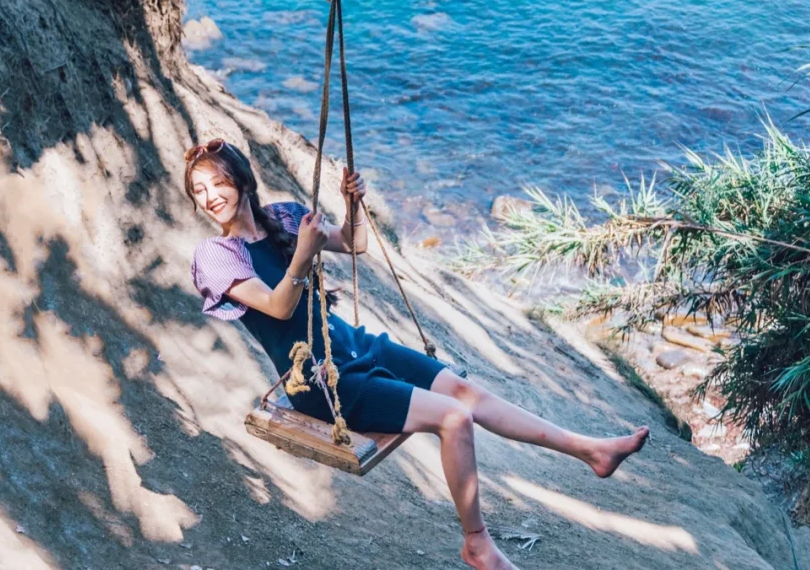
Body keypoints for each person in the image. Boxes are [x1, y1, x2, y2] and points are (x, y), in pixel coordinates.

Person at [187, 139, 649, 570]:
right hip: (320, 382)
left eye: (218, 182)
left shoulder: (286, 217)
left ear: (242, 180)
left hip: (352, 343)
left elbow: (353, 243)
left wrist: (352, 206)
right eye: (199, 191)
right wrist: (303, 257)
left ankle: (589, 450)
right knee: (453, 418)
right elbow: (280, 306)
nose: (210, 197)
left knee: (466, 392)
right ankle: (477, 543)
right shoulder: (216, 256)